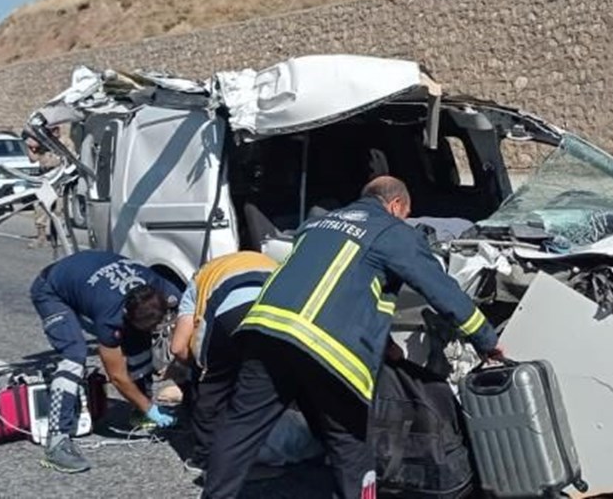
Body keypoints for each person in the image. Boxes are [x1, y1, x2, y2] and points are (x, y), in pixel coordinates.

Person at [202, 176, 501, 499]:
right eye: (406, 213)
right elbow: (441, 290)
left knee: (240, 428)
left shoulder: (316, 224)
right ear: (396, 205)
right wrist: (486, 339)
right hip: (326, 350)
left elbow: (348, 290)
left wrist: (384, 344)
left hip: (266, 332)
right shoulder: (392, 230)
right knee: (352, 446)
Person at [29, 250, 182, 473]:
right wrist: (152, 409)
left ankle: (139, 410)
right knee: (74, 353)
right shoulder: (110, 316)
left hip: (86, 273)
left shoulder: (163, 288)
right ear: (126, 315)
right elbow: (117, 377)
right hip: (51, 289)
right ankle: (56, 441)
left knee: (140, 341)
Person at [169, 251, 277, 473]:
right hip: (277, 312)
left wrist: (195, 369)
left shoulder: (198, 280)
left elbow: (178, 347)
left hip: (231, 312)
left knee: (213, 387)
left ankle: (206, 460)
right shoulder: (266, 260)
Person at [24, 129, 61, 248]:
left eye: (56, 130)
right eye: (52, 130)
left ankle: (57, 238)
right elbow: (33, 159)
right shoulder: (42, 144)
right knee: (41, 208)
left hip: (60, 180)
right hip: (45, 180)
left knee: (58, 211)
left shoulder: (65, 143)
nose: (54, 132)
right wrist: (29, 146)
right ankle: (41, 237)